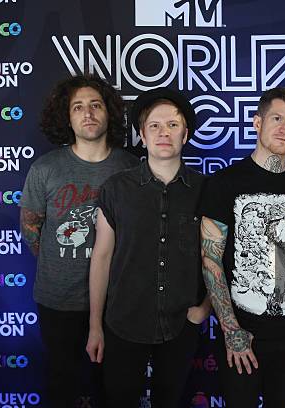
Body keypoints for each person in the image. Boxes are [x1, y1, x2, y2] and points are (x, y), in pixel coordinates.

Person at [198, 87, 285, 408]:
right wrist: (231, 331)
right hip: (244, 335)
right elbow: (210, 260)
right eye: (277, 119)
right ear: (257, 122)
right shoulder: (223, 184)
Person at [19, 74, 139, 408]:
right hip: (58, 301)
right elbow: (31, 228)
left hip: (117, 303)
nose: (88, 113)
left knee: (113, 388)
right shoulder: (45, 169)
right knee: (62, 385)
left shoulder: (130, 169)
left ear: (109, 113)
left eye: (96, 105)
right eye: (78, 107)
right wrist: (61, 260)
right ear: (66, 117)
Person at [86, 87, 210, 408]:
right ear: (142, 135)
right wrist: (95, 326)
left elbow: (217, 257)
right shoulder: (116, 189)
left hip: (181, 325)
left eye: (172, 125)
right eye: (154, 126)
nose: (163, 132)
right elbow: (101, 258)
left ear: (185, 134)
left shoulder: (206, 190)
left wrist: (204, 309)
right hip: (123, 324)